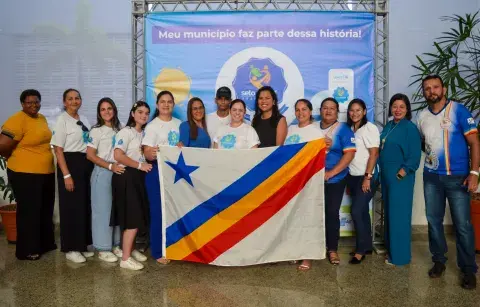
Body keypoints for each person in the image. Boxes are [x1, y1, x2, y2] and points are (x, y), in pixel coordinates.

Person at [417, 75, 479, 289]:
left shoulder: (459, 110)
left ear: (443, 89)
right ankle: (439, 261)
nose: (431, 91)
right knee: (434, 221)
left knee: (462, 225)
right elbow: (425, 144)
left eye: (435, 87)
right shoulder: (422, 116)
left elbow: (474, 142)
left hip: (458, 177)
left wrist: (474, 173)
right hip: (431, 178)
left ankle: (469, 270)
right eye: (427, 88)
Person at [0, 89, 56, 260]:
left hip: (45, 172)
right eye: (29, 102)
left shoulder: (41, 118)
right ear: (22, 104)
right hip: (24, 174)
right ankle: (27, 250)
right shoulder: (16, 120)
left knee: (45, 209)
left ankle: (44, 244)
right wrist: (17, 158)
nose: (33, 105)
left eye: (36, 101)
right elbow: (2, 146)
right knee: (29, 212)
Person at [51, 89, 94, 263]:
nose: (74, 101)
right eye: (70, 99)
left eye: (77, 98)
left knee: (83, 204)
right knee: (71, 207)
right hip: (69, 164)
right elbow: (58, 150)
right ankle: (71, 248)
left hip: (84, 163)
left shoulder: (83, 119)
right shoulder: (62, 121)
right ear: (64, 101)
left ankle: (82, 244)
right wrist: (66, 175)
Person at [379, 93, 421, 266]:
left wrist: (401, 173)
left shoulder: (410, 128)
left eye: (401, 107)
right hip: (387, 176)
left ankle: (400, 257)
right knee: (390, 214)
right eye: (394, 106)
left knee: (399, 217)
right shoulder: (389, 126)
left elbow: (415, 155)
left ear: (407, 109)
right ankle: (391, 251)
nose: (397, 110)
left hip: (400, 178)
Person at [284, 99, 324, 271]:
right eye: (298, 110)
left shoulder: (316, 132)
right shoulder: (291, 129)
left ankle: (307, 256)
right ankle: (294, 251)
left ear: (310, 111)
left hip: (308, 182)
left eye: (304, 109)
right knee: (293, 217)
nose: (301, 113)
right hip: (291, 181)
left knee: (308, 218)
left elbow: (318, 158)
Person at [111, 101, 152, 270]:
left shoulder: (145, 134)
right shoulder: (125, 132)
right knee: (132, 218)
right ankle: (125, 258)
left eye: (146, 113)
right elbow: (118, 155)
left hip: (139, 178)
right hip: (127, 176)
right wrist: (139, 165)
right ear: (133, 113)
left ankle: (130, 249)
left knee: (136, 216)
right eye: (140, 112)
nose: (143, 115)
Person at [142, 91, 181, 264]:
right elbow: (147, 154)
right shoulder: (152, 126)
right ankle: (158, 251)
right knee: (158, 212)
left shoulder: (180, 124)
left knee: (174, 211)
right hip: (157, 171)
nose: (166, 104)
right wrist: (155, 151)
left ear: (173, 104)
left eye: (169, 102)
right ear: (157, 105)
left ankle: (174, 247)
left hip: (174, 172)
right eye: (163, 102)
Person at [86, 98, 124, 262]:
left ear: (114, 110)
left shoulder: (119, 129)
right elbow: (90, 155)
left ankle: (115, 244)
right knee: (102, 212)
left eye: (109, 108)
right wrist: (109, 166)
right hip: (103, 173)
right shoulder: (96, 131)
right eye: (103, 109)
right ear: (99, 112)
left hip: (118, 173)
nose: (107, 111)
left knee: (115, 210)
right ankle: (102, 248)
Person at [319, 97, 356, 265]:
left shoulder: (343, 129)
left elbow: (349, 154)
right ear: (320, 110)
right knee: (313, 214)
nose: (328, 111)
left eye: (331, 108)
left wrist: (332, 173)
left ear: (337, 111)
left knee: (331, 213)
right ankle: (313, 247)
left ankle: (332, 249)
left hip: (335, 179)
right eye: (325, 108)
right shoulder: (313, 128)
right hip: (314, 180)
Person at [345, 98, 380, 264]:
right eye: (352, 110)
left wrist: (368, 177)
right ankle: (366, 245)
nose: (355, 113)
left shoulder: (369, 128)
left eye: (358, 110)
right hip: (352, 176)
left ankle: (360, 251)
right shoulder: (350, 129)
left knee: (357, 211)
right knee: (363, 212)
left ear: (365, 111)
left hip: (367, 177)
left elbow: (374, 154)